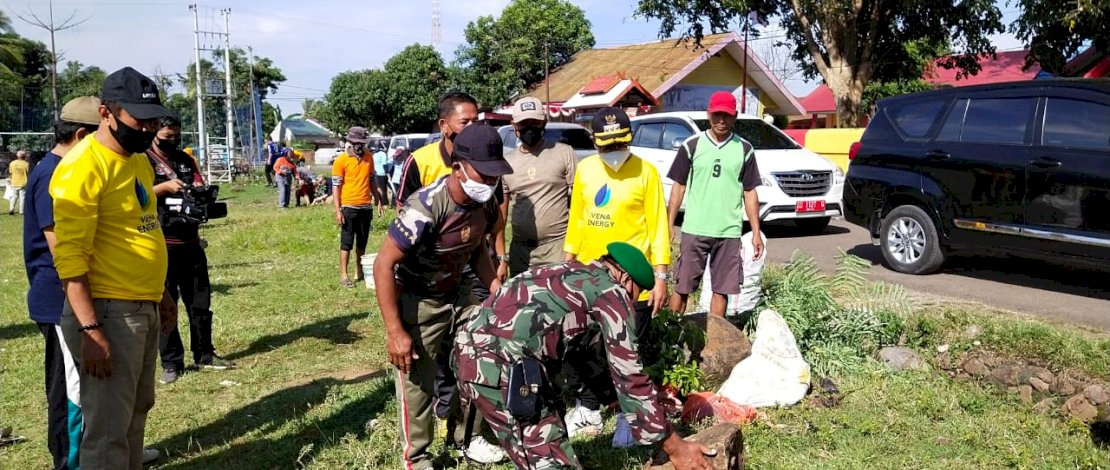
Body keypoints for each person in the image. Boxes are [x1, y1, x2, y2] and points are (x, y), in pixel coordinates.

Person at [453, 242, 717, 470]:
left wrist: (640, 400)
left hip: (470, 347)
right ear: (625, 279)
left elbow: (579, 351)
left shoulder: (568, 271)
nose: (630, 302)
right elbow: (630, 377)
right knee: (549, 461)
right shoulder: (611, 293)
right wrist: (676, 448)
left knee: (548, 436)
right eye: (634, 294)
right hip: (499, 367)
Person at [49, 67, 177, 470]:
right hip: (108, 311)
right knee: (107, 430)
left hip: (141, 306)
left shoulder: (137, 161)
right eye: (140, 120)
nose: (149, 128)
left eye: (153, 120)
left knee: (135, 413)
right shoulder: (83, 167)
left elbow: (142, 229)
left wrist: (161, 294)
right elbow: (70, 258)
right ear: (106, 113)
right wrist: (90, 329)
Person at [373, 124, 513, 469]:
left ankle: (467, 437)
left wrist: (494, 288)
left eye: (495, 174)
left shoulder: (486, 201)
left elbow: (476, 248)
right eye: (484, 174)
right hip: (420, 300)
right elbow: (383, 264)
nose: (490, 182)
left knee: (481, 361)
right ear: (458, 168)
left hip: (460, 292)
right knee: (418, 382)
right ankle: (417, 457)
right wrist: (395, 331)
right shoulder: (425, 207)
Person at [562, 106, 671, 437]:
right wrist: (566, 263)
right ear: (595, 143)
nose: (613, 151)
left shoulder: (646, 173)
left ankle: (628, 415)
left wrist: (661, 276)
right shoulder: (586, 170)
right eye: (606, 145)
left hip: (632, 282)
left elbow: (659, 227)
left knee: (628, 350)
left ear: (629, 139)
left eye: (619, 143)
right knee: (583, 345)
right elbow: (577, 220)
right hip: (589, 276)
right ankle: (589, 406)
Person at [23, 96, 105, 470]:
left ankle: (96, 452)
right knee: (72, 388)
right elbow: (62, 249)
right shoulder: (53, 174)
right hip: (60, 300)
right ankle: (71, 461)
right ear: (83, 135)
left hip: (72, 296)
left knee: (85, 384)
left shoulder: (63, 167)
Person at [147, 114, 235, 385]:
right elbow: (135, 195)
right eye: (167, 136)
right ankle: (171, 362)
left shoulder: (185, 160)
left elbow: (196, 181)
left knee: (200, 303)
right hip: (162, 243)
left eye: (177, 136)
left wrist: (200, 190)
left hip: (191, 243)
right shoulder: (143, 159)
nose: (173, 140)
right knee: (167, 306)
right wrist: (164, 187)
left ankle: (204, 354)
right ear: (154, 133)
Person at [667, 92, 764, 316]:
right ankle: (670, 331)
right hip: (695, 229)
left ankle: (713, 336)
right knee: (682, 287)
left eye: (727, 115)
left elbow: (750, 192)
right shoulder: (692, 145)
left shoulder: (744, 149)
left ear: (735, 116)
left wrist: (756, 232)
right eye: (717, 114)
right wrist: (669, 224)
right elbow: (678, 187)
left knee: (721, 291)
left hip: (728, 232)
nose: (721, 120)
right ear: (708, 114)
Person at [495, 97, 577, 280]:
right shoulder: (506, 163)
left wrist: (572, 251)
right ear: (514, 126)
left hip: (557, 248)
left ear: (544, 122)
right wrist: (501, 257)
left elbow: (580, 205)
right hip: (521, 252)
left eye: (535, 122)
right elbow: (501, 216)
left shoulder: (564, 153)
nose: (530, 128)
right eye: (524, 124)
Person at [332, 127, 381, 287]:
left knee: (362, 241)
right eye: (355, 142)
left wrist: (378, 200)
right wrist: (338, 210)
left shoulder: (369, 158)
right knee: (346, 242)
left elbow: (372, 180)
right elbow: (336, 186)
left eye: (361, 143)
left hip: (365, 206)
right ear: (350, 142)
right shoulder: (341, 160)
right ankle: (344, 275)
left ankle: (359, 271)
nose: (359, 146)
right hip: (348, 206)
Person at [8, 150, 30, 215]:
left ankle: (11, 209)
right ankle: (21, 211)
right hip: (23, 182)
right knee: (22, 197)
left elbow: (10, 172)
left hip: (14, 182)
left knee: (14, 196)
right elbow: (28, 172)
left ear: (17, 156)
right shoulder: (26, 164)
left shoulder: (12, 163)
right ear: (24, 156)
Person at [372, 141, 389, 217]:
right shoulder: (382, 154)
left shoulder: (374, 154)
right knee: (383, 190)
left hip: (376, 174)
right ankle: (383, 204)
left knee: (379, 190)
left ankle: (379, 204)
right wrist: (387, 173)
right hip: (381, 174)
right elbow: (385, 165)